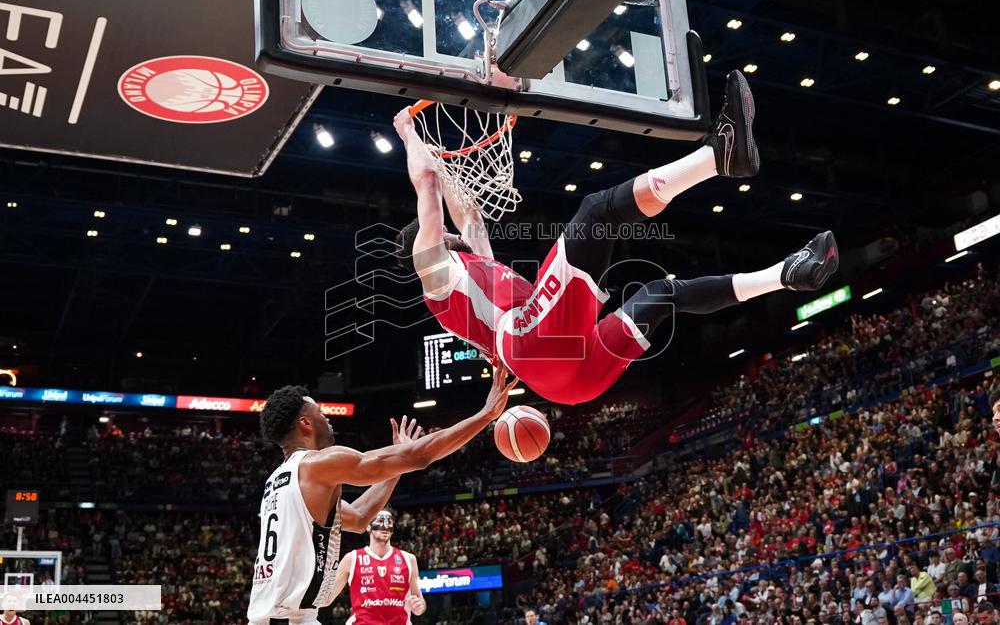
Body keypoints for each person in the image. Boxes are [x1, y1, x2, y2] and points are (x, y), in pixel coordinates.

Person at [393, 70, 840, 405]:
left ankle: (786, 274)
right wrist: (410, 137)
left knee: (661, 295)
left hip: (570, 374)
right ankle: (716, 154)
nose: (449, 230)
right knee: (598, 211)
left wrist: (439, 162)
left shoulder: (471, 269)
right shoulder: (433, 275)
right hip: (537, 346)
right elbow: (426, 189)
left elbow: (469, 216)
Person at [246, 371, 518, 625]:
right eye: (319, 411)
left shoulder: (279, 479)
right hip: (288, 618)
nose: (326, 417)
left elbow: (360, 517)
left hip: (280, 616)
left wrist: (394, 471)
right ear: (305, 423)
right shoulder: (317, 464)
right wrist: (486, 414)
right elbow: (418, 457)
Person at [328, 510, 426, 624]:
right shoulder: (352, 558)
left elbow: (420, 602)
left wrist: (419, 607)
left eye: (389, 522)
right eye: (380, 521)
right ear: (368, 527)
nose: (385, 526)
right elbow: (327, 598)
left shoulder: (409, 559)